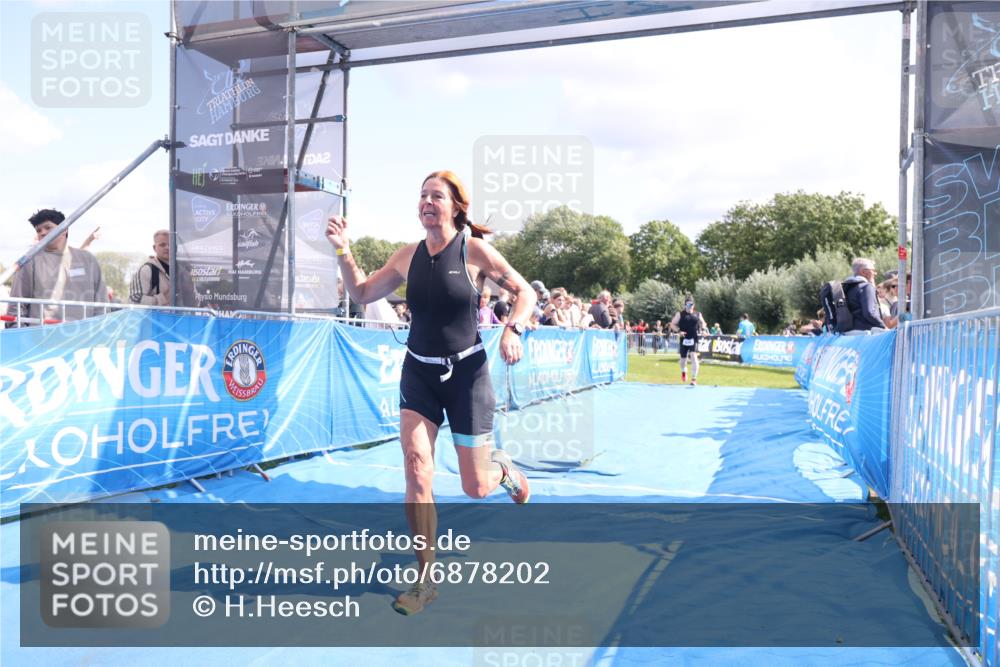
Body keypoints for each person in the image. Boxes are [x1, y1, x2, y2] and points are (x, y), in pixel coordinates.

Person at [325, 170, 536, 616]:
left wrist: (512, 329)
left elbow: (525, 293)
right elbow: (363, 291)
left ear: (456, 206)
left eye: (435, 196)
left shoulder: (473, 250)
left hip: (468, 377)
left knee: (475, 487)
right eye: (421, 195)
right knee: (417, 469)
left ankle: (501, 468)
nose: (426, 202)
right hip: (418, 374)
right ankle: (426, 580)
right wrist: (343, 250)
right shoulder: (407, 256)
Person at [7, 209, 108, 325]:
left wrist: (100, 331)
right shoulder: (29, 262)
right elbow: (16, 307)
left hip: (84, 337)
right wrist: (21, 338)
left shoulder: (88, 259)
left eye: (48, 227)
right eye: (38, 230)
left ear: (64, 229)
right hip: (42, 339)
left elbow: (102, 303)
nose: (42, 233)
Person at [671, 295, 708, 386]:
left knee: (693, 357)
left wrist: (703, 329)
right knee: (683, 361)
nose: (690, 306)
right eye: (688, 304)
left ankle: (694, 379)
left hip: (694, 338)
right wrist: (679, 331)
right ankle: (684, 371)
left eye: (692, 304)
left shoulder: (698, 314)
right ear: (685, 305)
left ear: (693, 305)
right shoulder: (680, 314)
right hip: (684, 339)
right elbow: (672, 324)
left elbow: (703, 323)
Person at [843, 258, 887, 332]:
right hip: (865, 333)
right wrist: (883, 326)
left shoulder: (848, 287)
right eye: (873, 270)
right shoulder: (866, 287)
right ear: (863, 272)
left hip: (850, 332)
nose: (875, 273)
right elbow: (870, 313)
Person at [129, 230, 172, 305]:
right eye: (162, 245)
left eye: (171, 244)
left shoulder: (182, 270)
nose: (167, 248)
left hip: (179, 316)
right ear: (154, 248)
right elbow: (134, 300)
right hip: (155, 316)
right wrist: (162, 299)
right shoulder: (147, 270)